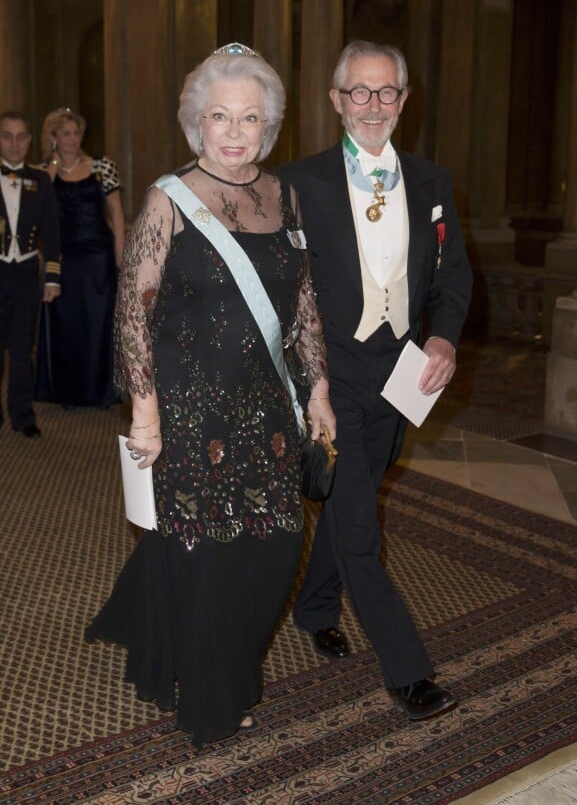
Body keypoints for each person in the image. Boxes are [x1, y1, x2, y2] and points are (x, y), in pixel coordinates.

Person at [85, 43, 336, 747]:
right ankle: (213, 698)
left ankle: (168, 635)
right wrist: (145, 410)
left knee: (274, 556)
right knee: (210, 563)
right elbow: (134, 306)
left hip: (269, 411)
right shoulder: (171, 198)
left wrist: (317, 388)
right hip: (192, 414)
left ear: (269, 126)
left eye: (249, 117)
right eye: (219, 115)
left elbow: (304, 301)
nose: (233, 130)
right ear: (198, 123)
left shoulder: (284, 198)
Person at [277, 40, 473, 720]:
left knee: (354, 488)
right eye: (359, 92)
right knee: (360, 520)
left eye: (387, 92)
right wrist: (301, 380)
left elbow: (453, 275)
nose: (373, 105)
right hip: (330, 372)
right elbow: (282, 291)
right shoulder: (299, 183)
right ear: (336, 101)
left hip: (402, 369)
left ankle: (315, 606)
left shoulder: (432, 182)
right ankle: (409, 672)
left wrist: (443, 336)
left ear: (403, 101)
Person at [34, 107, 125, 408]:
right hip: (62, 259)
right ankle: (68, 392)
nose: (73, 138)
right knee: (67, 324)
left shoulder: (102, 166)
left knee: (99, 322)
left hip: (98, 255)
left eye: (76, 133)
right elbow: (37, 209)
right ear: (54, 138)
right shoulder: (44, 171)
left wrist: (120, 256)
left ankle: (100, 392)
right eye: (65, 133)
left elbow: (117, 213)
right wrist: (54, 163)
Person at [0, 111, 61, 438]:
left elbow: (52, 231)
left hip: (25, 273)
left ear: (28, 140)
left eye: (20, 136)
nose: (14, 143)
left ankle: (23, 415)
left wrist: (52, 277)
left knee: (23, 350)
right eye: (6, 135)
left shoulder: (41, 181)